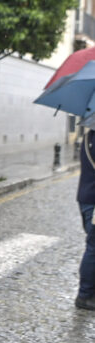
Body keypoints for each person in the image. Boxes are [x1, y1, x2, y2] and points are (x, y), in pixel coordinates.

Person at [76, 130, 95, 311]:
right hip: (93, 201)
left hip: (87, 197)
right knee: (94, 247)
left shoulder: (90, 135)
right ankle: (85, 295)